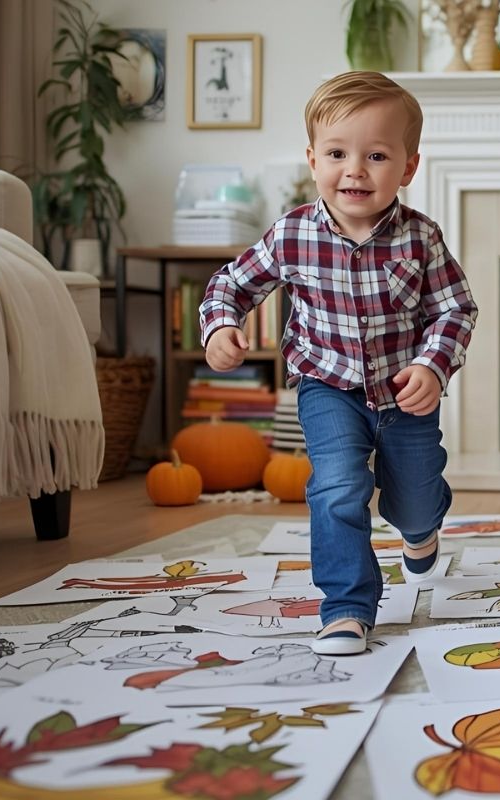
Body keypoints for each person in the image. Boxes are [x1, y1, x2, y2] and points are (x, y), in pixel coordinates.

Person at [201, 72, 477, 654]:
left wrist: (431, 366)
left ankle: (422, 529)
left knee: (414, 498)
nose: (354, 169)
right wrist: (222, 324)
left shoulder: (420, 239)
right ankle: (347, 608)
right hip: (326, 387)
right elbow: (230, 284)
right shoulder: (291, 234)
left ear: (408, 167)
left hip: (404, 391)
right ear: (312, 159)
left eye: (376, 155)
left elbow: (456, 308)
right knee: (337, 486)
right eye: (337, 153)